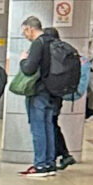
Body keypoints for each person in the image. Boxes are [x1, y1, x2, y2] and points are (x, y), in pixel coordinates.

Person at [16, 15, 78, 175]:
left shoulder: (39, 43)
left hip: (40, 92)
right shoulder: (53, 42)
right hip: (54, 92)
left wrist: (23, 60)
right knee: (49, 126)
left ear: (30, 29)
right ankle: (49, 163)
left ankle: (40, 164)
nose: (25, 35)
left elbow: (29, 69)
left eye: (25, 32)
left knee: (38, 128)